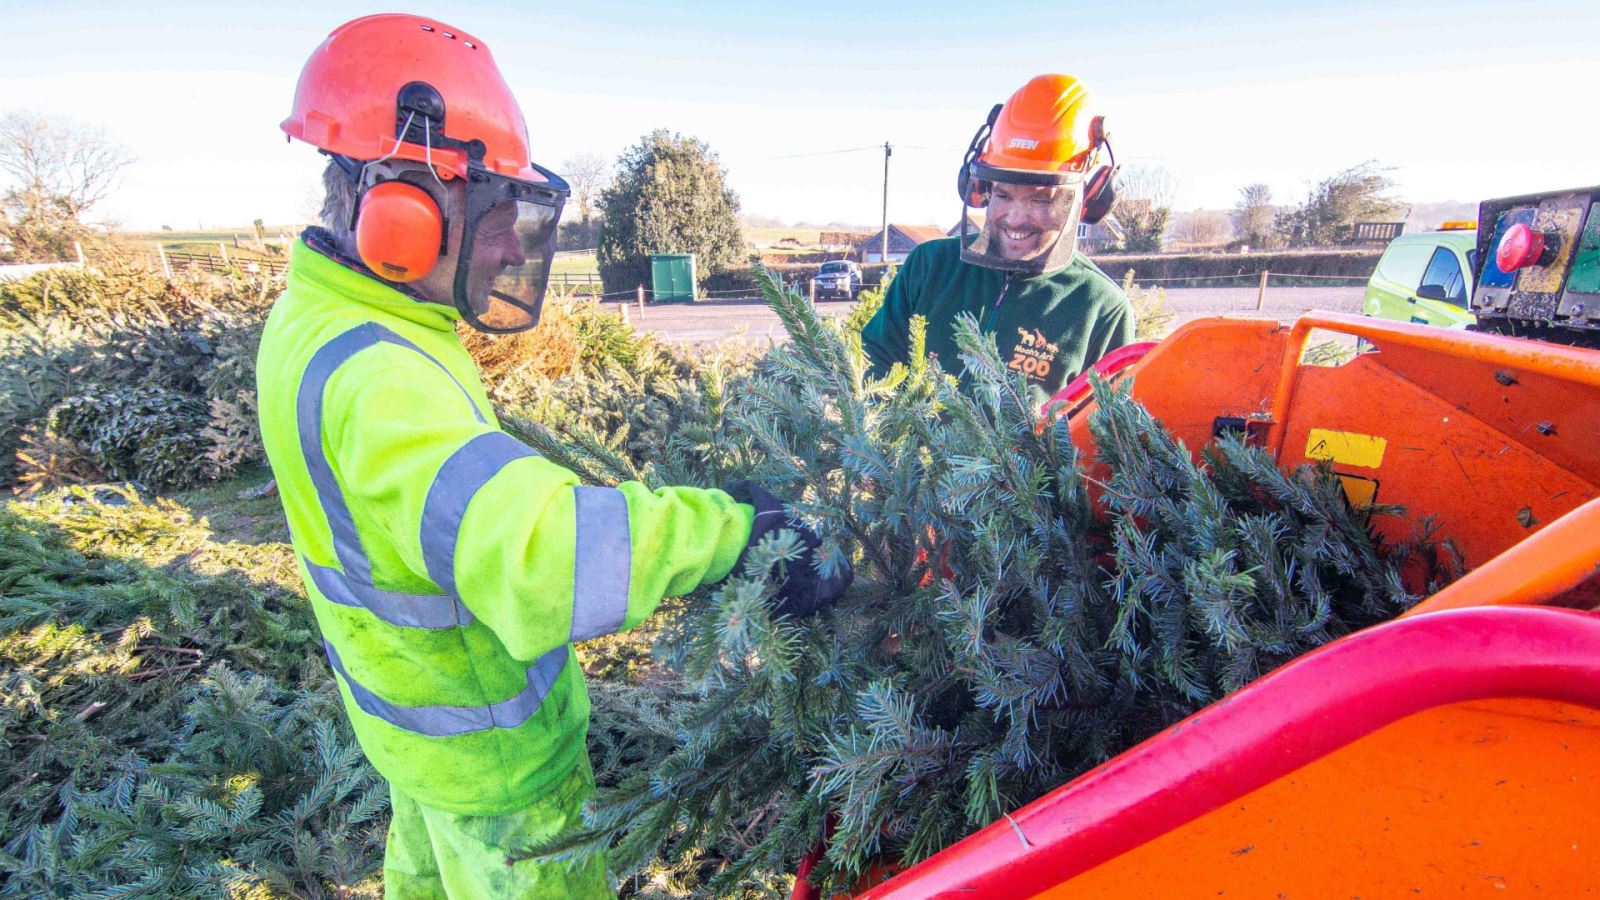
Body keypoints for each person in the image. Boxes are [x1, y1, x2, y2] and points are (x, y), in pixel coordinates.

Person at [259, 15, 849, 898]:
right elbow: (543, 554)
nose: (507, 245)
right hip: (498, 773)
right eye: (490, 212)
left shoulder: (321, 318)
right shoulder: (380, 378)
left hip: (421, 746)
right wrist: (731, 532)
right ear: (401, 208)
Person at [861, 74, 1135, 403]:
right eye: (1003, 195)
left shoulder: (1101, 308)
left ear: (1089, 197)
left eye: (1041, 199)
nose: (1015, 217)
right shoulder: (929, 266)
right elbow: (873, 364)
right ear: (979, 188)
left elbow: (1103, 433)